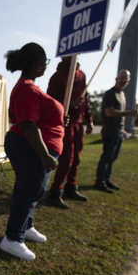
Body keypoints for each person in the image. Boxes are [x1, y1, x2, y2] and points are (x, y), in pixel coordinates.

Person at [0, 43, 64, 261]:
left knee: (31, 189)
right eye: (45, 63)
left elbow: (40, 118)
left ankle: (26, 227)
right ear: (38, 65)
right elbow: (28, 124)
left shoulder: (29, 87)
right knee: (30, 190)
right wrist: (45, 155)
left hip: (30, 144)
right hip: (28, 144)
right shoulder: (27, 88)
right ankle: (12, 238)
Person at [45, 57, 94, 209]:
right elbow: (50, 102)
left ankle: (71, 187)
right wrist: (69, 104)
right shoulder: (57, 77)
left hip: (78, 123)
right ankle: (55, 191)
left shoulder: (82, 74)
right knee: (67, 159)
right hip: (64, 123)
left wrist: (89, 119)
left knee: (76, 159)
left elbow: (85, 98)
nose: (74, 56)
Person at [94, 70, 138, 194]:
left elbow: (120, 117)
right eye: (122, 77)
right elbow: (110, 112)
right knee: (107, 157)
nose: (123, 80)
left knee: (113, 157)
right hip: (110, 130)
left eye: (126, 78)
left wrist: (122, 129)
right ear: (116, 78)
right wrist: (130, 113)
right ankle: (100, 181)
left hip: (119, 131)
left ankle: (107, 180)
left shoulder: (122, 94)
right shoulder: (110, 94)